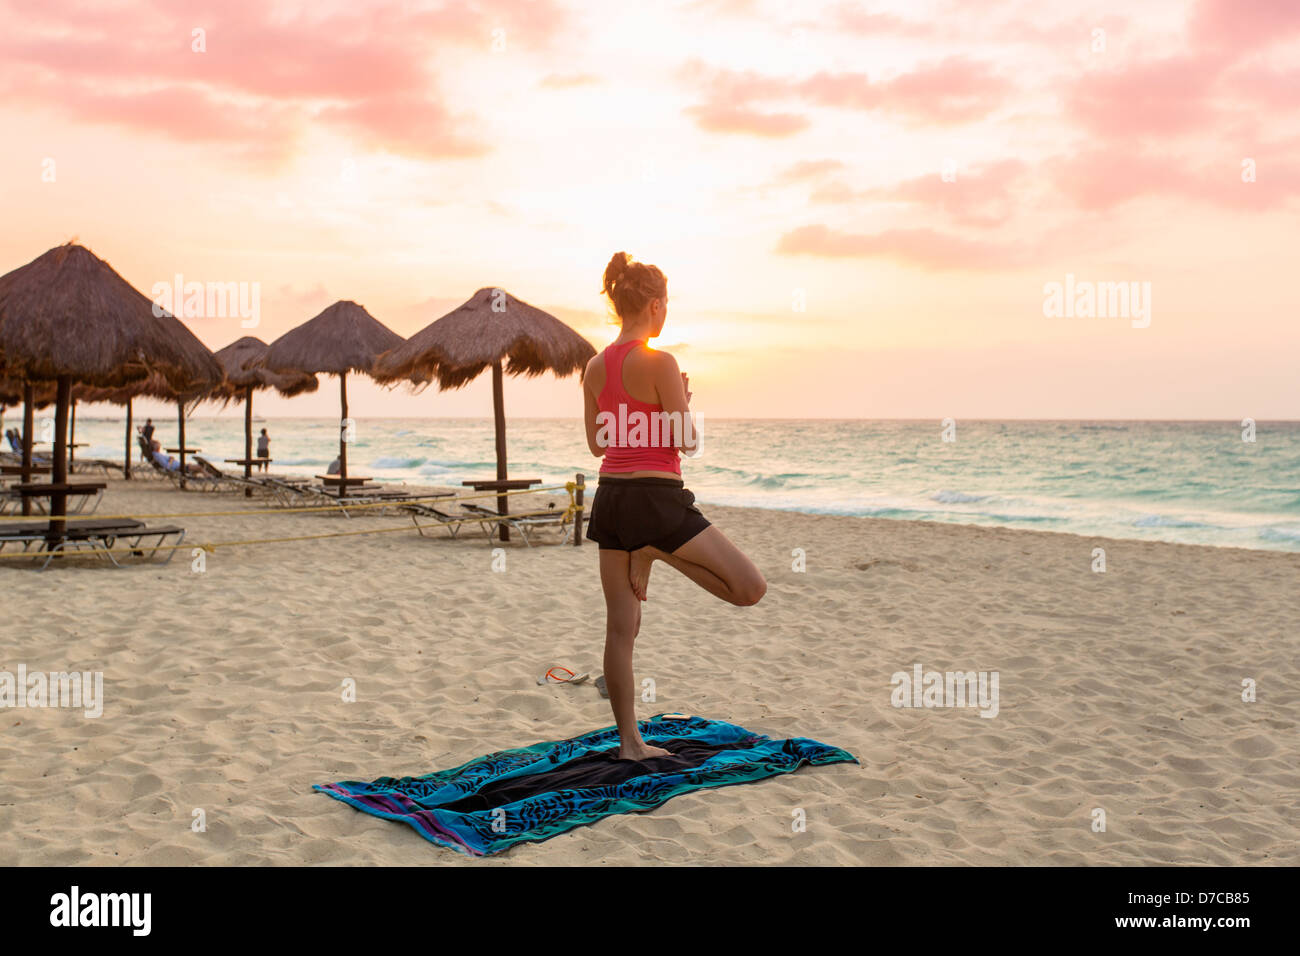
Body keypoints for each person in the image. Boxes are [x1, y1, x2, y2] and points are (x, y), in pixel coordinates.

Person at [582, 251, 766, 761]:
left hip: (611, 500)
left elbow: (598, 445)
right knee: (749, 588)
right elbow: (687, 442)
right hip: (657, 502)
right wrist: (678, 398)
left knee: (621, 630)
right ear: (656, 305)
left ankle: (630, 745)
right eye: (667, 304)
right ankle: (658, 552)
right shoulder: (661, 362)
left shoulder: (595, 367)